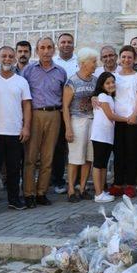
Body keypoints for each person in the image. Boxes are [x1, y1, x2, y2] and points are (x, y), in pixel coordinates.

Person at [0, 46, 32, 213]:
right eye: (4, 56)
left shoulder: (21, 81)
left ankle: (14, 200)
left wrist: (26, 127)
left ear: (15, 59)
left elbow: (27, 105)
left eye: (11, 56)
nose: (7, 59)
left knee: (14, 169)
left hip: (15, 132)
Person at [22, 37, 67, 208]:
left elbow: (64, 95)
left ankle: (41, 192)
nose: (46, 51)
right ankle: (28, 193)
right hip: (34, 114)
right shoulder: (28, 70)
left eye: (49, 47)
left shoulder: (60, 72)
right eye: (42, 47)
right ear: (37, 50)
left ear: (54, 50)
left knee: (48, 156)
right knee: (31, 157)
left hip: (54, 114)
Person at [63, 48, 99, 202]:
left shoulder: (95, 80)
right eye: (94, 62)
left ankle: (82, 188)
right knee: (75, 157)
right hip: (77, 121)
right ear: (84, 63)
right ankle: (71, 189)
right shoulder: (72, 81)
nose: (96, 65)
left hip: (92, 120)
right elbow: (65, 106)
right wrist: (68, 128)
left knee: (89, 157)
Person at [110, 45, 137, 198]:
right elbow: (104, 93)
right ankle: (117, 183)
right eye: (123, 57)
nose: (126, 60)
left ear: (134, 59)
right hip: (117, 119)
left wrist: (134, 115)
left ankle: (130, 184)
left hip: (133, 119)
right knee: (118, 152)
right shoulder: (113, 77)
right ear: (119, 58)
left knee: (132, 152)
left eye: (129, 57)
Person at [90, 72, 123, 203]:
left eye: (113, 82)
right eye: (108, 83)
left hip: (107, 135)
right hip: (100, 135)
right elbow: (110, 116)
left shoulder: (109, 98)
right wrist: (128, 119)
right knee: (98, 164)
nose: (111, 85)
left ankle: (102, 191)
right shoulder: (102, 96)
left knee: (103, 164)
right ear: (102, 85)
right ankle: (98, 193)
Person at [52, 33, 78, 195]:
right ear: (58, 45)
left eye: (69, 42)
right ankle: (58, 180)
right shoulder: (53, 62)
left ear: (73, 45)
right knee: (59, 148)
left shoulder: (79, 61)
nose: (66, 45)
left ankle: (74, 181)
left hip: (77, 111)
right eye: (63, 42)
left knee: (75, 147)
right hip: (59, 110)